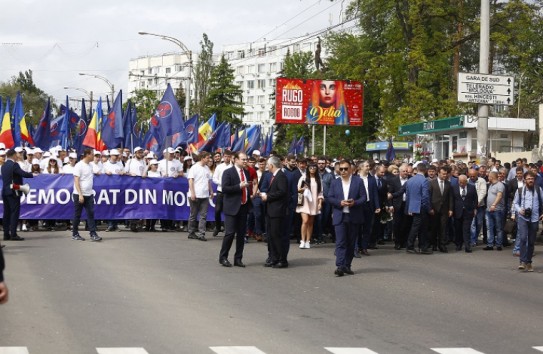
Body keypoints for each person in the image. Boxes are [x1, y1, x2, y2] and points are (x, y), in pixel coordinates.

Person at [327, 160, 366, 276]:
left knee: (351, 242)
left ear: (351, 170)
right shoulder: (335, 182)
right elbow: (329, 197)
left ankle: (347, 265)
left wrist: (354, 203)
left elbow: (363, 197)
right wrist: (339, 202)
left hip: (354, 216)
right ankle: (339, 266)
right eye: (341, 169)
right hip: (340, 216)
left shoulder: (358, 181)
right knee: (340, 242)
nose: (343, 171)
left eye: (345, 168)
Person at [219, 152, 251, 267]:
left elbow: (247, 187)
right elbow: (225, 188)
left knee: (241, 234)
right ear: (236, 160)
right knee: (230, 233)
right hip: (232, 207)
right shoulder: (228, 172)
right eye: (243, 159)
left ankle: (238, 259)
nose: (245, 161)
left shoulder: (246, 172)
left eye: (246, 159)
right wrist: (239, 186)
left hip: (243, 206)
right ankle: (223, 257)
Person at [260, 156, 289, 268]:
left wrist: (268, 196)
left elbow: (282, 192)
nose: (267, 166)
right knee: (271, 236)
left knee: (277, 236)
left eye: (268, 164)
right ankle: (274, 257)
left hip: (278, 211)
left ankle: (282, 259)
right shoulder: (274, 176)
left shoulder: (281, 176)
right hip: (271, 210)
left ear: (271, 165)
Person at [511, 171, 542, 272]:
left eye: (532, 179)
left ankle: (529, 262)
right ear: (525, 180)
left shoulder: (538, 189)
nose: (530, 180)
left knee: (532, 242)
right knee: (523, 238)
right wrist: (520, 210)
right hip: (523, 218)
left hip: (534, 218)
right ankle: (522, 261)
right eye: (528, 179)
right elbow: (515, 203)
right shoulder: (520, 190)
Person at [2, 149, 34, 242]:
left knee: (6, 213)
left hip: (5, 192)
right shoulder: (14, 165)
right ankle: (13, 234)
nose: (18, 156)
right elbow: (23, 174)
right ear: (13, 155)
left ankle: (6, 234)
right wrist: (33, 175)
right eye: (17, 154)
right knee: (14, 213)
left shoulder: (3, 166)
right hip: (14, 192)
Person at [72, 149, 101, 241]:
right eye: (92, 155)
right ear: (87, 155)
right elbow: (76, 181)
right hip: (79, 194)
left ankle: (93, 233)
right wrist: (80, 194)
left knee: (91, 214)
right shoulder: (79, 165)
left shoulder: (91, 165)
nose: (94, 156)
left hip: (89, 194)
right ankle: (75, 233)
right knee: (77, 215)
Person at [405, 163, 431, 254]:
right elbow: (425, 197)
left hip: (413, 206)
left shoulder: (410, 180)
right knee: (420, 228)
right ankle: (415, 246)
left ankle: (418, 246)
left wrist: (408, 208)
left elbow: (408, 195)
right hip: (421, 207)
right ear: (425, 170)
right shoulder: (424, 180)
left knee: (416, 227)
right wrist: (428, 208)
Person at [296, 163, 323, 249]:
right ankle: (302, 240)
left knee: (311, 222)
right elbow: (298, 189)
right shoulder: (303, 177)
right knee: (305, 221)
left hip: (313, 202)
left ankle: (308, 241)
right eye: (310, 167)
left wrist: (320, 203)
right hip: (304, 202)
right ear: (308, 168)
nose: (312, 169)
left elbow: (320, 192)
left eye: (314, 167)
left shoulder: (318, 179)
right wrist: (303, 190)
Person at [187, 152, 213, 241]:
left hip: (205, 196)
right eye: (207, 158)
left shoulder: (207, 168)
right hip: (196, 195)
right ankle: (191, 232)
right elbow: (190, 181)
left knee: (203, 215)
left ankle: (201, 233)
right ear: (202, 158)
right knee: (193, 215)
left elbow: (208, 181)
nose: (209, 159)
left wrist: (211, 191)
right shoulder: (194, 168)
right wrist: (193, 193)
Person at [428, 166, 453, 252]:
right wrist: (430, 208)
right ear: (438, 173)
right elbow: (429, 196)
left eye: (446, 174)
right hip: (434, 209)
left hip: (444, 210)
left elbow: (450, 197)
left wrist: (450, 209)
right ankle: (434, 244)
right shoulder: (432, 183)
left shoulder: (448, 184)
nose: (445, 176)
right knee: (434, 228)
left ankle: (442, 245)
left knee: (443, 228)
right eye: (443, 174)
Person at [452, 175, 478, 252]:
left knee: (466, 229)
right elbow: (452, 200)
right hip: (457, 211)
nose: (462, 184)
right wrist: (451, 210)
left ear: (466, 181)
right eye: (460, 182)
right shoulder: (454, 187)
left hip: (468, 211)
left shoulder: (472, 187)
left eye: (463, 182)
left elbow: (475, 199)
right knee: (458, 229)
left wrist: (474, 208)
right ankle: (458, 244)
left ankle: (467, 246)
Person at [212, 150, 233, 236]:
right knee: (217, 210)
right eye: (225, 156)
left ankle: (228, 228)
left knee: (228, 211)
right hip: (221, 190)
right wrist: (222, 183)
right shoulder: (219, 167)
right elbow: (214, 178)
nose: (227, 158)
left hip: (230, 191)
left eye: (229, 157)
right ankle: (218, 227)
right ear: (223, 157)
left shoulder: (233, 167)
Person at [484, 171, 505, 251]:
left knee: (498, 228)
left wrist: (494, 205)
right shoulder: (490, 185)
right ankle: (490, 244)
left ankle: (499, 244)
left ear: (492, 177)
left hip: (497, 210)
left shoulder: (500, 185)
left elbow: (499, 196)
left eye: (489, 176)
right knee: (489, 227)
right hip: (488, 210)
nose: (488, 178)